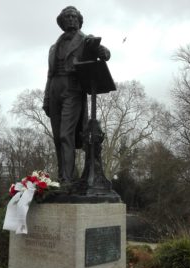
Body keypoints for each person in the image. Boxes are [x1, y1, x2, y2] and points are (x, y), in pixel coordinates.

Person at [43, 6, 111, 184]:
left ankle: (67, 179)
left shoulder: (84, 40)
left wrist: (104, 52)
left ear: (79, 21)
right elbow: (49, 74)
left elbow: (101, 50)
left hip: (73, 88)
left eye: (74, 16)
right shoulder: (53, 47)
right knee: (57, 136)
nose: (71, 19)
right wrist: (46, 97)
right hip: (55, 88)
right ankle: (61, 176)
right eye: (67, 17)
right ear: (62, 21)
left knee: (67, 134)